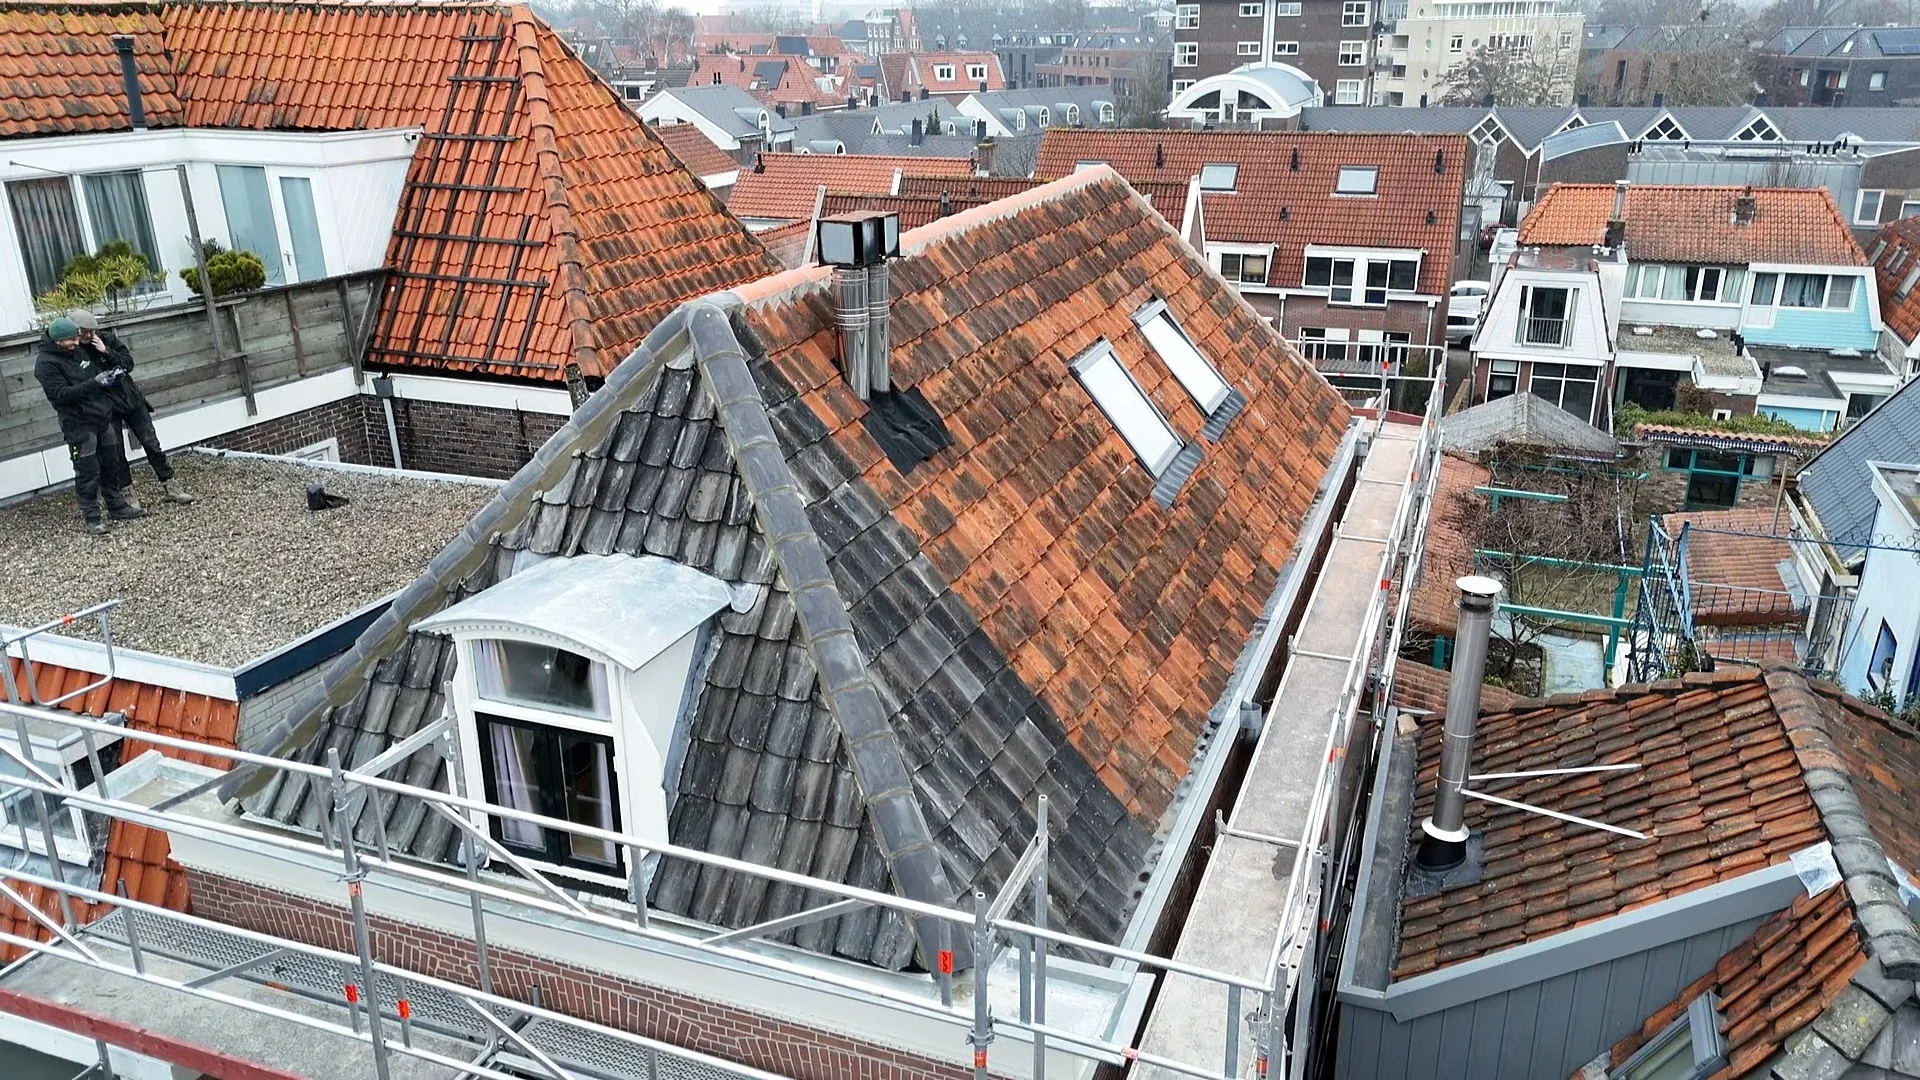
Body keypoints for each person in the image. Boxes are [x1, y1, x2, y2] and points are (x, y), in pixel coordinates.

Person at [66, 308, 193, 507]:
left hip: (131, 399)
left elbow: (128, 363)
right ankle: (127, 491)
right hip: (107, 407)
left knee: (151, 443)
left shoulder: (106, 339)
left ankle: (170, 484)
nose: (89, 335)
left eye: (92, 331)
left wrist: (106, 351)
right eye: (84, 332)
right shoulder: (74, 352)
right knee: (116, 453)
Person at [34, 316, 143, 534]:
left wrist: (109, 377)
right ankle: (92, 518)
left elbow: (93, 374)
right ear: (58, 341)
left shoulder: (78, 352)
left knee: (112, 463)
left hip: (101, 417)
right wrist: (95, 383)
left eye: (77, 338)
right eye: (72, 340)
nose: (77, 343)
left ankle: (117, 506)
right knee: (87, 471)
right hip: (78, 424)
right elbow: (62, 394)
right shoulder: (46, 364)